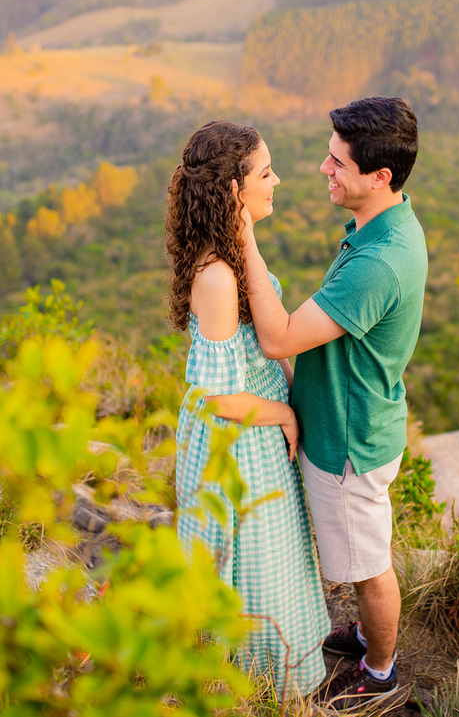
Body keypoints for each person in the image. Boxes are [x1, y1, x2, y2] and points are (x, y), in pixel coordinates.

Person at [239, 96, 427, 710]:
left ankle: (380, 673)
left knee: (369, 566)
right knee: (354, 554)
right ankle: (369, 640)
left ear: (381, 178)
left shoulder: (380, 262)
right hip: (349, 422)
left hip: (349, 443)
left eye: (337, 163)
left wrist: (242, 233)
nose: (323, 168)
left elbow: (278, 337)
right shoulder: (385, 225)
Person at [165, 120, 330, 698]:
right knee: (256, 567)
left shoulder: (234, 254)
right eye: (265, 173)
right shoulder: (216, 277)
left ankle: (272, 683)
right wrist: (285, 414)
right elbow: (216, 395)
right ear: (234, 190)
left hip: (254, 435)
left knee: (275, 560)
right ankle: (256, 690)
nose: (277, 181)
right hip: (236, 442)